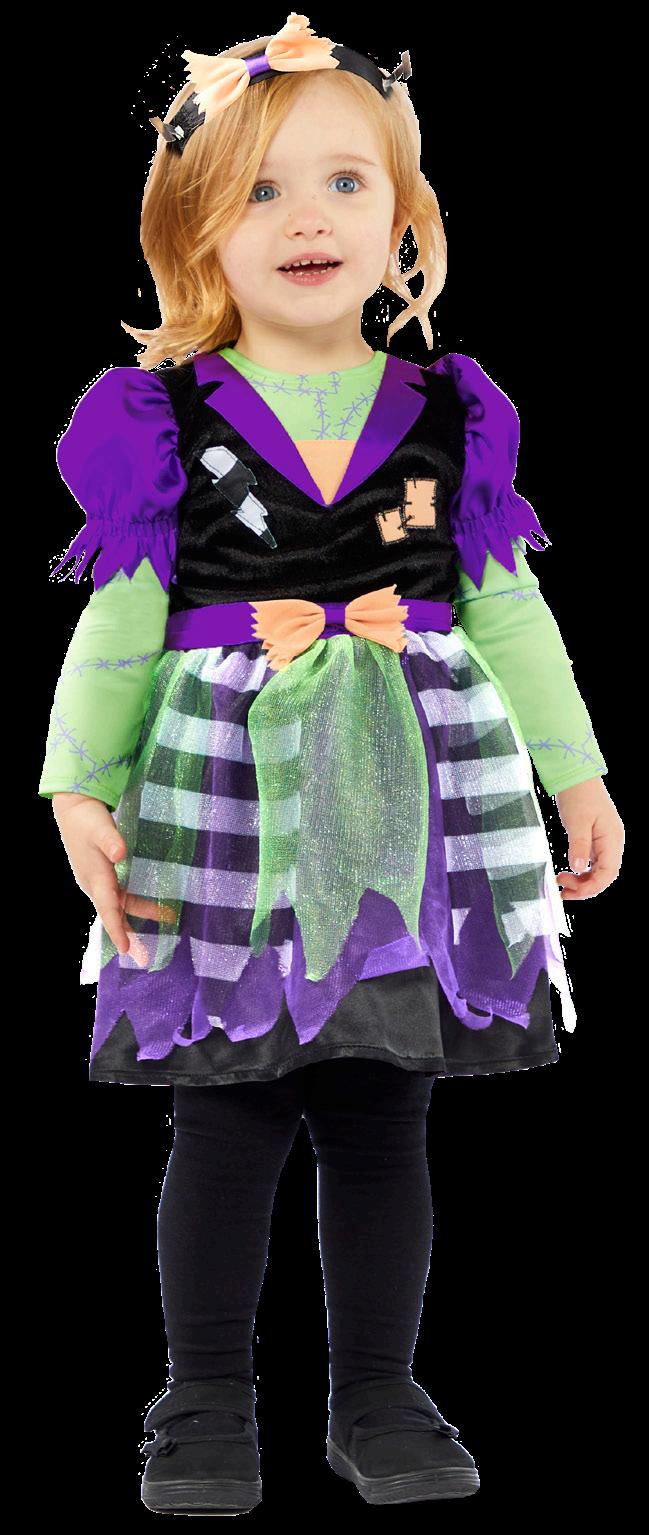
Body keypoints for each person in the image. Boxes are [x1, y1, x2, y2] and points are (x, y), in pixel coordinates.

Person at [38, 16, 625, 1513]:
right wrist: (77, 790)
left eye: (344, 182)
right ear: (192, 234)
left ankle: (376, 1392)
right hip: (225, 803)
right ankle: (202, 1399)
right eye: (259, 191)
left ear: (403, 217)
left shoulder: (450, 415)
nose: (306, 219)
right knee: (226, 1111)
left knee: (381, 1112)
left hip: (407, 802)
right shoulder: (162, 421)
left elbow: (506, 606)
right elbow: (120, 622)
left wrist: (574, 773)